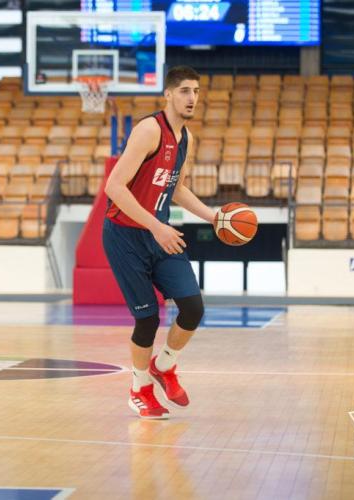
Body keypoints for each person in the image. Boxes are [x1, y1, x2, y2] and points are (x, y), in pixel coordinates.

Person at [103, 66, 214, 419]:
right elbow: (113, 187)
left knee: (193, 308)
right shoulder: (149, 130)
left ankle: (163, 365)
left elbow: (176, 189)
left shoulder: (187, 138)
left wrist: (213, 217)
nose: (192, 98)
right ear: (167, 94)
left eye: (196, 91)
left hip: (157, 232)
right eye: (184, 91)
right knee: (148, 319)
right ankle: (139, 389)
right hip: (125, 235)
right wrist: (156, 226)